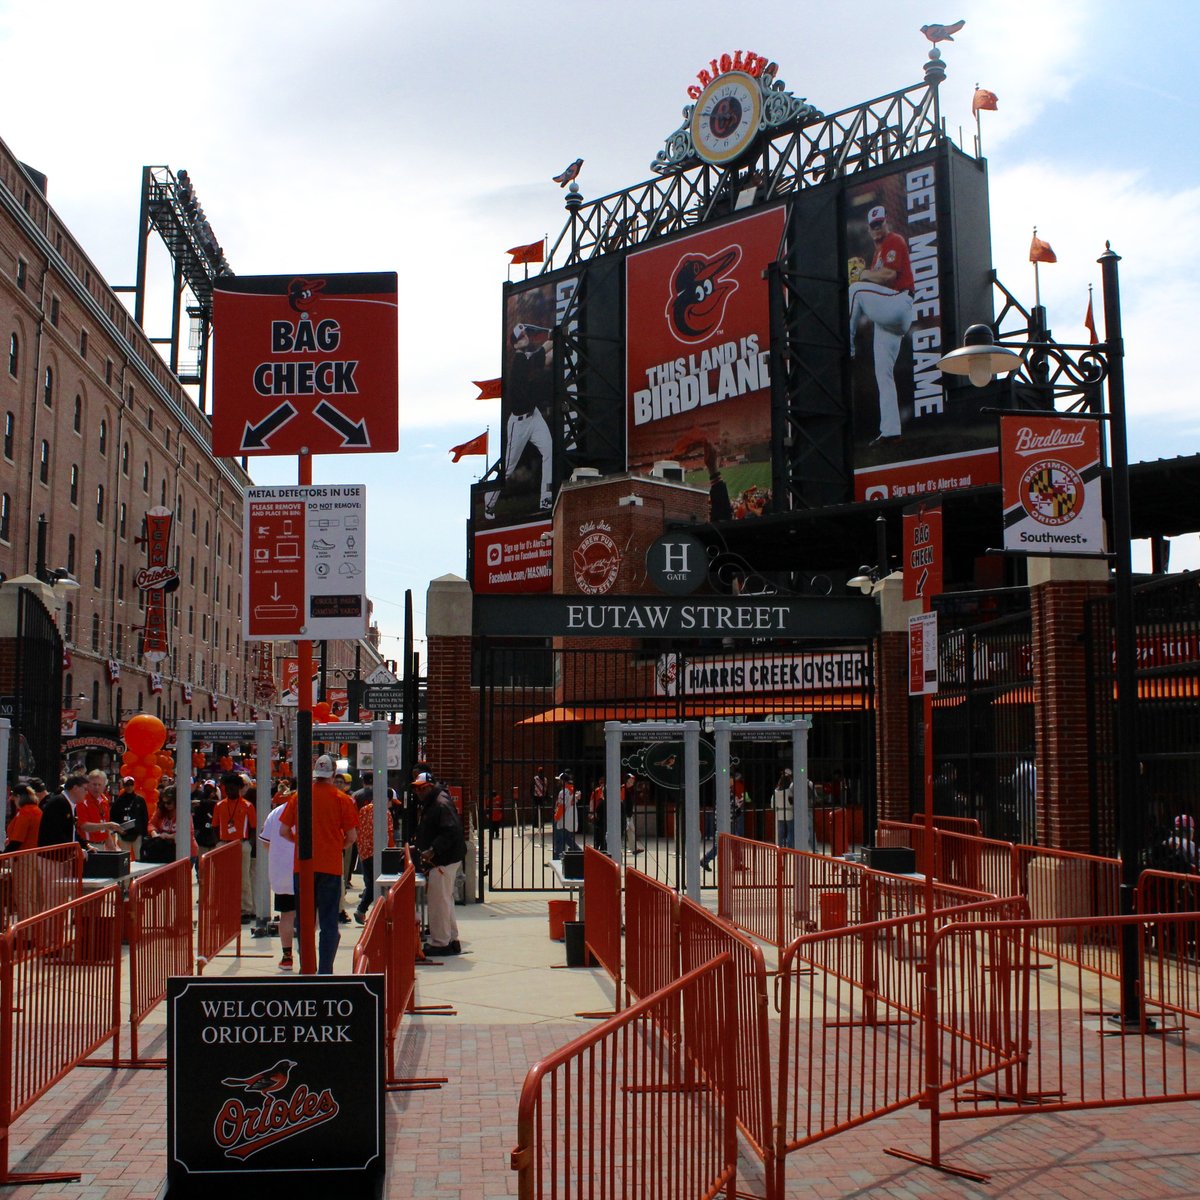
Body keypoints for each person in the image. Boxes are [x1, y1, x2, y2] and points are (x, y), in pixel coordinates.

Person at [280, 755, 358, 974]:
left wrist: (301, 843)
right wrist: (335, 845)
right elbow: (352, 836)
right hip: (331, 867)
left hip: (303, 866)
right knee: (329, 922)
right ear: (333, 774)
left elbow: (283, 831)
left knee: (304, 921)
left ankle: (307, 967)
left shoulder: (298, 797)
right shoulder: (342, 799)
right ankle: (325, 971)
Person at [848, 204, 914, 444]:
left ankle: (848, 346)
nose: (878, 228)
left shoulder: (894, 240)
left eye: (880, 223)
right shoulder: (877, 253)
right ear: (869, 228)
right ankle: (890, 431)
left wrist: (863, 275)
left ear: (886, 223)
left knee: (854, 289)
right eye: (874, 225)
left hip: (898, 303)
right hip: (888, 317)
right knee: (883, 374)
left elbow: (889, 276)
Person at [482, 321, 554, 519]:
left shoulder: (526, 356)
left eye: (525, 334)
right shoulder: (519, 361)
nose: (525, 337)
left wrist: (555, 339)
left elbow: (543, 355)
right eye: (521, 337)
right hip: (519, 423)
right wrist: (554, 339)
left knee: (550, 450)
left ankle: (546, 497)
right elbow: (542, 358)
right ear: (515, 344)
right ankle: (488, 502)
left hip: (534, 415)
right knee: (508, 468)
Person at [412, 771, 466, 957]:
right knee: (445, 900)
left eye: (422, 788)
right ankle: (450, 939)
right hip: (445, 859)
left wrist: (432, 850)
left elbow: (450, 831)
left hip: (443, 860)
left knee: (438, 901)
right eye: (417, 788)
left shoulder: (440, 804)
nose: (418, 792)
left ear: (430, 786)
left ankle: (441, 942)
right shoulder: (436, 802)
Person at [259, 788, 296, 971]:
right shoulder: (311, 810)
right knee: (309, 914)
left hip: (282, 873)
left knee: (286, 915)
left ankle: (287, 956)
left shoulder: (276, 813)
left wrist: (279, 853)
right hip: (307, 870)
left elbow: (265, 842)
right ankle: (307, 954)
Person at [214, 772, 256, 921]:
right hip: (224, 843)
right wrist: (218, 843)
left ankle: (245, 909)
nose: (230, 790)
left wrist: (248, 843)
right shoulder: (219, 806)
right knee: (223, 879)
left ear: (238, 788)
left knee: (244, 878)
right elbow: (215, 826)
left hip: (241, 843)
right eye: (227, 788)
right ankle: (224, 908)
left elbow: (253, 827)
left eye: (233, 787)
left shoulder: (247, 806)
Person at [354, 778, 395, 924]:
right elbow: (389, 835)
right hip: (377, 854)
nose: (391, 806)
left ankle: (363, 911)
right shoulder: (386, 813)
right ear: (387, 799)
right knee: (377, 885)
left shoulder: (364, 810)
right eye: (391, 802)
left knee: (370, 883)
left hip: (364, 852)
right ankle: (363, 910)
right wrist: (393, 852)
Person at [110, 775, 149, 864]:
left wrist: (143, 834)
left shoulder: (140, 800)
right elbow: (113, 818)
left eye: (131, 784)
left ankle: (139, 877)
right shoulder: (118, 801)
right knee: (125, 860)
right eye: (127, 785)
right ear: (123, 786)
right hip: (123, 834)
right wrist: (119, 830)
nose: (129, 787)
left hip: (137, 834)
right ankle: (126, 878)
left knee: (140, 858)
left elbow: (145, 818)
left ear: (134, 785)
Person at [552, 770, 579, 858]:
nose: (558, 782)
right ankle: (580, 852)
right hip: (571, 819)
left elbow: (561, 807)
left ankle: (557, 858)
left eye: (559, 780)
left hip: (563, 819)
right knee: (568, 839)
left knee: (559, 840)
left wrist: (556, 817)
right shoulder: (573, 790)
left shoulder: (563, 792)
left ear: (563, 781)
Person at [774, 768, 795, 848]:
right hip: (789, 811)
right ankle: (790, 846)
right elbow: (792, 801)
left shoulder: (776, 791)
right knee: (790, 830)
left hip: (779, 812)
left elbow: (773, 803)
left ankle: (779, 846)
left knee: (780, 830)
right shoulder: (789, 790)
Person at [589, 777, 607, 852]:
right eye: (601, 783)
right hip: (597, 813)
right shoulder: (596, 791)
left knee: (602, 833)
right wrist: (591, 812)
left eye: (603, 783)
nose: (602, 784)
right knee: (598, 832)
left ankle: (602, 847)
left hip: (604, 814)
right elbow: (592, 802)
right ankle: (598, 847)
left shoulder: (606, 790)